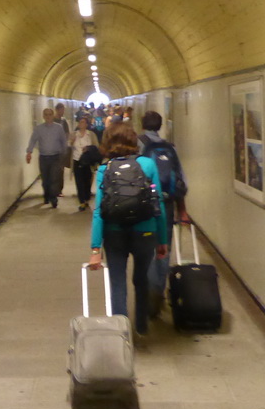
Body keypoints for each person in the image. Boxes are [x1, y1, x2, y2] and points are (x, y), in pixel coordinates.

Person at [88, 122, 169, 344]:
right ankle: (141, 326)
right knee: (141, 279)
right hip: (145, 232)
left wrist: (95, 248)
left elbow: (98, 212)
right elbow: (158, 204)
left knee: (117, 281)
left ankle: (120, 332)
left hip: (115, 233)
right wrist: (162, 240)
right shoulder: (148, 165)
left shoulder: (105, 170)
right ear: (133, 141)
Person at [139, 110, 191, 317]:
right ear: (160, 126)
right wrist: (183, 211)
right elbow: (181, 181)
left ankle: (147, 291)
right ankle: (157, 291)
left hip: (143, 205)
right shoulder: (170, 148)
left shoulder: (137, 145)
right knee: (163, 248)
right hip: (166, 205)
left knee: (144, 248)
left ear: (143, 124)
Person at [26, 108, 68, 207]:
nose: (48, 117)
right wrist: (29, 152)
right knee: (45, 179)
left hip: (55, 157)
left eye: (50, 114)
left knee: (54, 178)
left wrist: (64, 153)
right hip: (44, 158)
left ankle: (53, 198)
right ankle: (46, 195)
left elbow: (63, 141)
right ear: (43, 116)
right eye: (46, 115)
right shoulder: (39, 128)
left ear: (53, 115)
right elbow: (33, 140)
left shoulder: (59, 128)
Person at [69, 116, 100, 211]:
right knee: (79, 181)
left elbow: (96, 147)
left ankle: (86, 198)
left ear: (86, 124)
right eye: (80, 122)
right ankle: (82, 201)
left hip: (87, 161)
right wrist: (72, 141)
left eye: (83, 122)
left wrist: (88, 148)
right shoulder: (74, 134)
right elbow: (68, 145)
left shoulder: (91, 134)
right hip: (77, 160)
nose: (81, 124)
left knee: (87, 180)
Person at [53, 102, 71, 197]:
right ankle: (54, 189)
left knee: (60, 169)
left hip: (61, 150)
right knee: (54, 170)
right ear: (57, 110)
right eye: (62, 110)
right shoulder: (52, 121)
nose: (63, 111)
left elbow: (67, 133)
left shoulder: (63, 121)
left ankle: (59, 190)